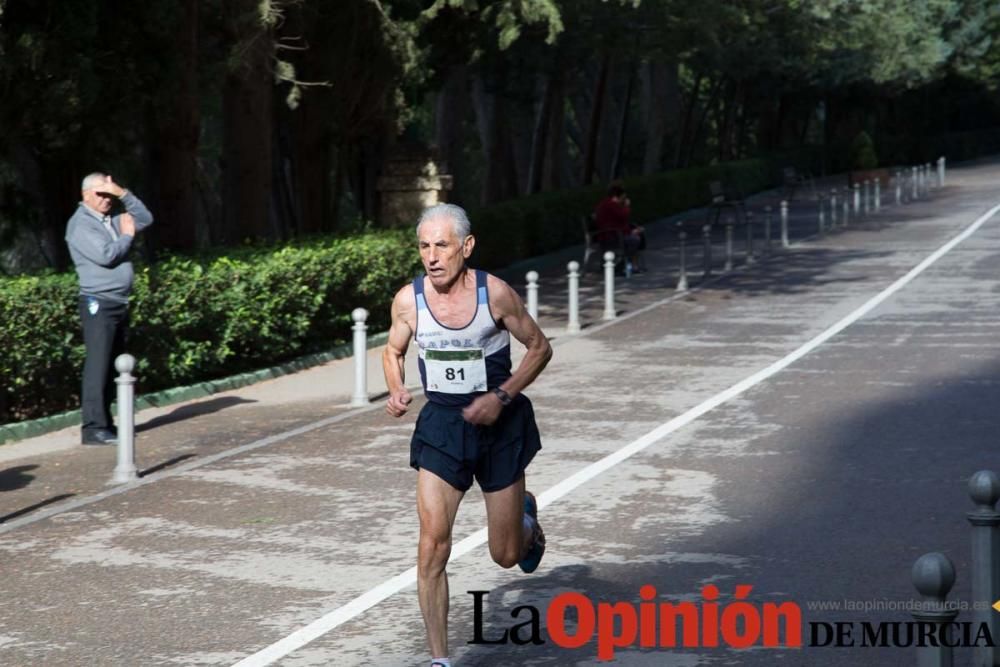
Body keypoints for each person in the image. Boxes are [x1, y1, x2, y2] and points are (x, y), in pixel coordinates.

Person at [382, 203, 552, 667]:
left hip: (499, 426)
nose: (432, 256)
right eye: (423, 246)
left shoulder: (494, 294)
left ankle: (526, 524)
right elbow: (393, 351)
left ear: (466, 246)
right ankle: (440, 660)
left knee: (505, 554)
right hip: (442, 427)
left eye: (442, 244)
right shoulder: (408, 300)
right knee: (432, 543)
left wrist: (502, 395)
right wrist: (397, 389)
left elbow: (539, 347)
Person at [65, 173, 153, 445]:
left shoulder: (109, 221)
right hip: (98, 303)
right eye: (100, 194)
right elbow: (106, 255)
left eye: (108, 195)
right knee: (98, 365)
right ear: (85, 196)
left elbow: (146, 219)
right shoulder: (81, 225)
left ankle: (106, 424)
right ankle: (92, 427)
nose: (106, 200)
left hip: (117, 302)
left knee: (114, 365)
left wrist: (122, 193)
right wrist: (127, 236)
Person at [593, 180, 645, 273]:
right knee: (635, 239)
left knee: (638, 235)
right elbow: (623, 216)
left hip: (612, 234)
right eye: (623, 197)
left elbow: (619, 222)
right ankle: (628, 265)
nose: (624, 199)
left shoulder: (606, 203)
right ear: (618, 196)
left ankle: (631, 264)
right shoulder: (611, 205)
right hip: (612, 236)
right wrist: (626, 206)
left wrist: (632, 230)